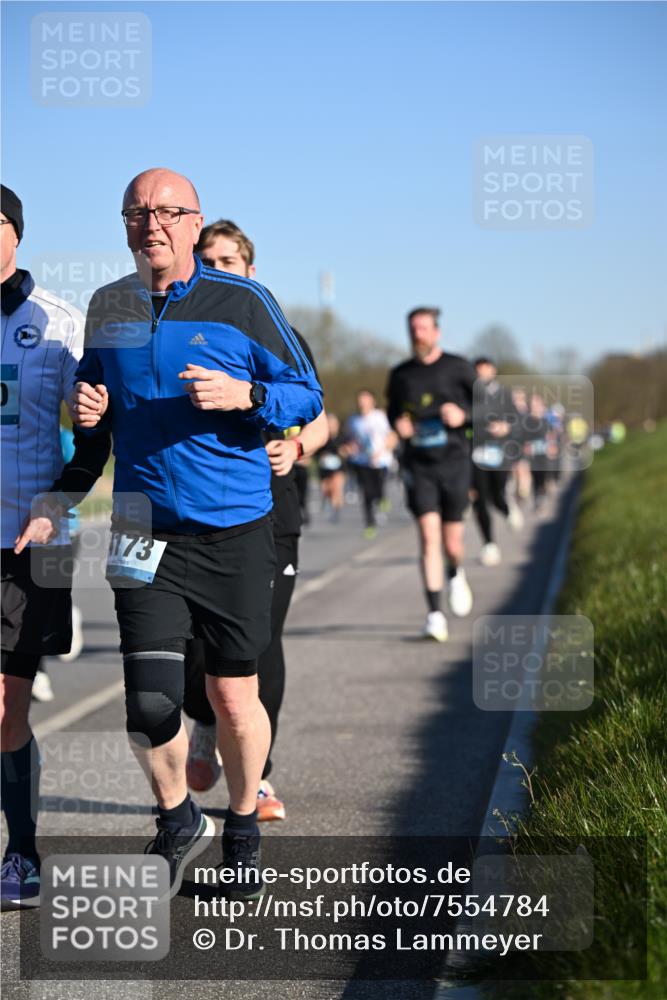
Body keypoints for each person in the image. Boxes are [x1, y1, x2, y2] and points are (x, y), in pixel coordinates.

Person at [70, 171, 322, 899]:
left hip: (236, 530)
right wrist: (85, 407)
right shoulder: (107, 305)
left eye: (168, 212)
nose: (152, 223)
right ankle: (180, 817)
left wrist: (250, 396)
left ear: (193, 221)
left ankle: (242, 826)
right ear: (124, 224)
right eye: (138, 212)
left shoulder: (243, 302)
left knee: (233, 698)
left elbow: (306, 392)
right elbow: (94, 399)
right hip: (142, 527)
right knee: (148, 703)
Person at [184, 219, 328, 822]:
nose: (218, 269)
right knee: (192, 641)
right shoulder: (181, 332)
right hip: (196, 511)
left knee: (259, 640)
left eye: (229, 261)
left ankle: (259, 779)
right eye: (207, 260)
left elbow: (321, 419)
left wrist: (294, 449)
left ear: (250, 270)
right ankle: (202, 719)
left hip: (272, 512)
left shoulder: (280, 334)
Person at [1, 184, 110, 908]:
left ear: (12, 233)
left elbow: (96, 435)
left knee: (5, 703)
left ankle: (23, 854)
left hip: (26, 540)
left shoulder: (59, 325)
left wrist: (57, 504)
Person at [386, 307, 475, 642]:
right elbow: (393, 411)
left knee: (453, 541)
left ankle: (456, 571)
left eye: (423, 328)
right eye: (412, 329)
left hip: (453, 462)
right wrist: (399, 424)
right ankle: (435, 615)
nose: (417, 335)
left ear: (436, 332)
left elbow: (488, 409)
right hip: (418, 464)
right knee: (428, 535)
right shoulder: (400, 375)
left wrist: (463, 415)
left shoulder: (459, 367)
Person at [470, 357, 523, 566]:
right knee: (480, 499)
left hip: (499, 452)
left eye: (485, 369)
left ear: (493, 370)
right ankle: (489, 544)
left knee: (496, 493)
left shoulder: (504, 394)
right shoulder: (469, 393)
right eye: (478, 370)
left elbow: (518, 421)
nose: (482, 373)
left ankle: (508, 509)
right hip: (476, 453)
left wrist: (506, 428)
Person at [344, 390, 395, 539]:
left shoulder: (380, 417)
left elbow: (391, 435)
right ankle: (369, 524)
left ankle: (381, 498)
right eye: (360, 400)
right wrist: (350, 448)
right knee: (366, 493)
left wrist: (382, 451)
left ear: (372, 401)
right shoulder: (354, 420)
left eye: (365, 400)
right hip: (361, 460)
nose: (362, 403)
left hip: (381, 460)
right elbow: (351, 439)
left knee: (377, 488)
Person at [316, 413, 346, 522]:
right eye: (329, 423)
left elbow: (348, 450)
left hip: (338, 468)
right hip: (324, 468)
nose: (331, 425)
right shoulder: (322, 438)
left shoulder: (342, 437)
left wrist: (344, 452)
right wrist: (321, 456)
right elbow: (316, 452)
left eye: (333, 423)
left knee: (336, 487)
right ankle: (329, 503)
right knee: (326, 489)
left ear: (337, 424)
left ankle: (336, 510)